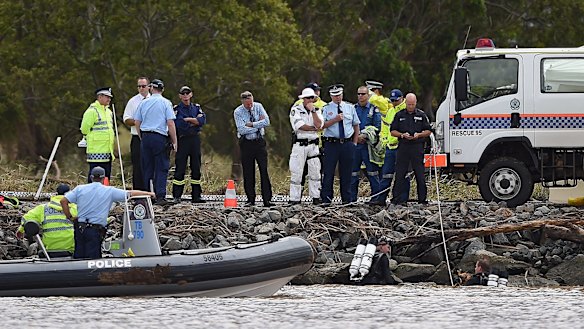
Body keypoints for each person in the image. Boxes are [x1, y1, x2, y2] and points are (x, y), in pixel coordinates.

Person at [60, 166, 155, 259]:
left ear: (91, 177)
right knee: (93, 261)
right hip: (95, 230)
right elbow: (130, 193)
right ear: (104, 178)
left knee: (79, 257)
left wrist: (70, 217)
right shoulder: (109, 191)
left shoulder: (79, 189)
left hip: (80, 228)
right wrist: (149, 194)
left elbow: (63, 201)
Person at [133, 79, 178, 205]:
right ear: (162, 89)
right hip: (159, 137)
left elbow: (137, 122)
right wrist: (174, 141)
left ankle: (148, 195)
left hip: (146, 137)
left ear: (151, 88)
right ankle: (160, 196)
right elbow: (170, 123)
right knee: (161, 167)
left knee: (147, 167)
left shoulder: (144, 102)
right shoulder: (166, 103)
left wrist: (142, 136)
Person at [320, 84, 360, 205]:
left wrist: (354, 142)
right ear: (331, 96)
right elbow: (321, 125)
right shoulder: (326, 108)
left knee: (347, 172)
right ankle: (326, 198)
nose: (337, 98)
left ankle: (347, 199)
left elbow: (356, 124)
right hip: (332, 143)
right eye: (335, 96)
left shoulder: (349, 107)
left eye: (339, 95)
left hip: (347, 143)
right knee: (328, 171)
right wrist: (335, 119)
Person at [234, 91, 274, 207]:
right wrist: (258, 124)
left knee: (263, 170)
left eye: (251, 103)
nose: (250, 106)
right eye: (247, 105)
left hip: (259, 142)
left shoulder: (258, 106)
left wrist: (251, 124)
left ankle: (267, 199)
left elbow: (266, 121)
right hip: (246, 143)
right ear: (243, 103)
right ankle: (250, 199)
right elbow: (241, 129)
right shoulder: (238, 112)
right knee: (248, 171)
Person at [390, 93, 432, 205]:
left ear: (416, 103)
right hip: (403, 146)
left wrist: (419, 134)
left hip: (417, 147)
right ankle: (397, 198)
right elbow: (392, 131)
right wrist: (402, 135)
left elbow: (428, 130)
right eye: (409, 104)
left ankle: (422, 199)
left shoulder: (421, 115)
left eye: (413, 104)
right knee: (400, 173)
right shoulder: (399, 115)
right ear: (405, 103)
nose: (411, 107)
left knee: (420, 174)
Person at [16, 184, 76, 258]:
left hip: (49, 249)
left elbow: (27, 218)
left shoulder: (43, 208)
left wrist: (20, 231)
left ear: (56, 194)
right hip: (71, 249)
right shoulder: (74, 208)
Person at [372, 88, 410, 205]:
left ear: (402, 99)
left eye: (396, 100)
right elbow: (385, 128)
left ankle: (401, 199)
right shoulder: (390, 111)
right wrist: (383, 141)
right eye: (392, 100)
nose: (394, 103)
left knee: (402, 175)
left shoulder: (406, 110)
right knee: (386, 174)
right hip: (390, 147)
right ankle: (381, 199)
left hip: (402, 147)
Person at [172, 86, 207, 203]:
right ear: (180, 96)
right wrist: (194, 121)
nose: (186, 95)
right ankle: (177, 195)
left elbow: (202, 121)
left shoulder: (196, 107)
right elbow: (180, 124)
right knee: (180, 167)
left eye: (188, 93)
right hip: (183, 140)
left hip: (195, 139)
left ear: (191, 94)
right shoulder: (177, 109)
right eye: (183, 93)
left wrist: (189, 120)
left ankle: (196, 195)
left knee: (196, 167)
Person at [289, 88, 323, 205]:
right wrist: (314, 128)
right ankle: (295, 198)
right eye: (307, 98)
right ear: (303, 99)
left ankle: (316, 197)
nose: (310, 100)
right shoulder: (295, 110)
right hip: (300, 144)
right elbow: (300, 126)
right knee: (296, 172)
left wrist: (313, 111)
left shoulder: (317, 110)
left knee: (315, 172)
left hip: (313, 145)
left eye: (311, 98)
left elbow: (319, 124)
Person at [351, 85, 382, 203]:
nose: (360, 96)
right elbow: (348, 125)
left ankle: (376, 198)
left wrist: (365, 135)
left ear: (368, 95)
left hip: (368, 146)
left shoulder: (374, 109)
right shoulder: (353, 109)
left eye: (363, 94)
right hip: (355, 145)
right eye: (358, 94)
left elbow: (377, 126)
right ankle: (351, 199)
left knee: (372, 172)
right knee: (353, 173)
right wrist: (356, 137)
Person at [80, 87, 115, 183]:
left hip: (107, 150)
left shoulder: (108, 112)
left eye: (110, 97)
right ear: (100, 97)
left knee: (106, 175)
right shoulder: (92, 111)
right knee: (95, 174)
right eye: (107, 97)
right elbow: (84, 129)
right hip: (96, 150)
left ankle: (105, 193)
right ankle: (92, 194)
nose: (109, 99)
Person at [123, 76, 150, 191]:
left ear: (149, 87)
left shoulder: (154, 100)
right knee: (138, 166)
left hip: (151, 136)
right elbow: (126, 119)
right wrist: (137, 122)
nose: (141, 88)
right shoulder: (133, 101)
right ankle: (138, 193)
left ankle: (151, 192)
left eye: (143, 86)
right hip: (137, 138)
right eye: (139, 86)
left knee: (150, 165)